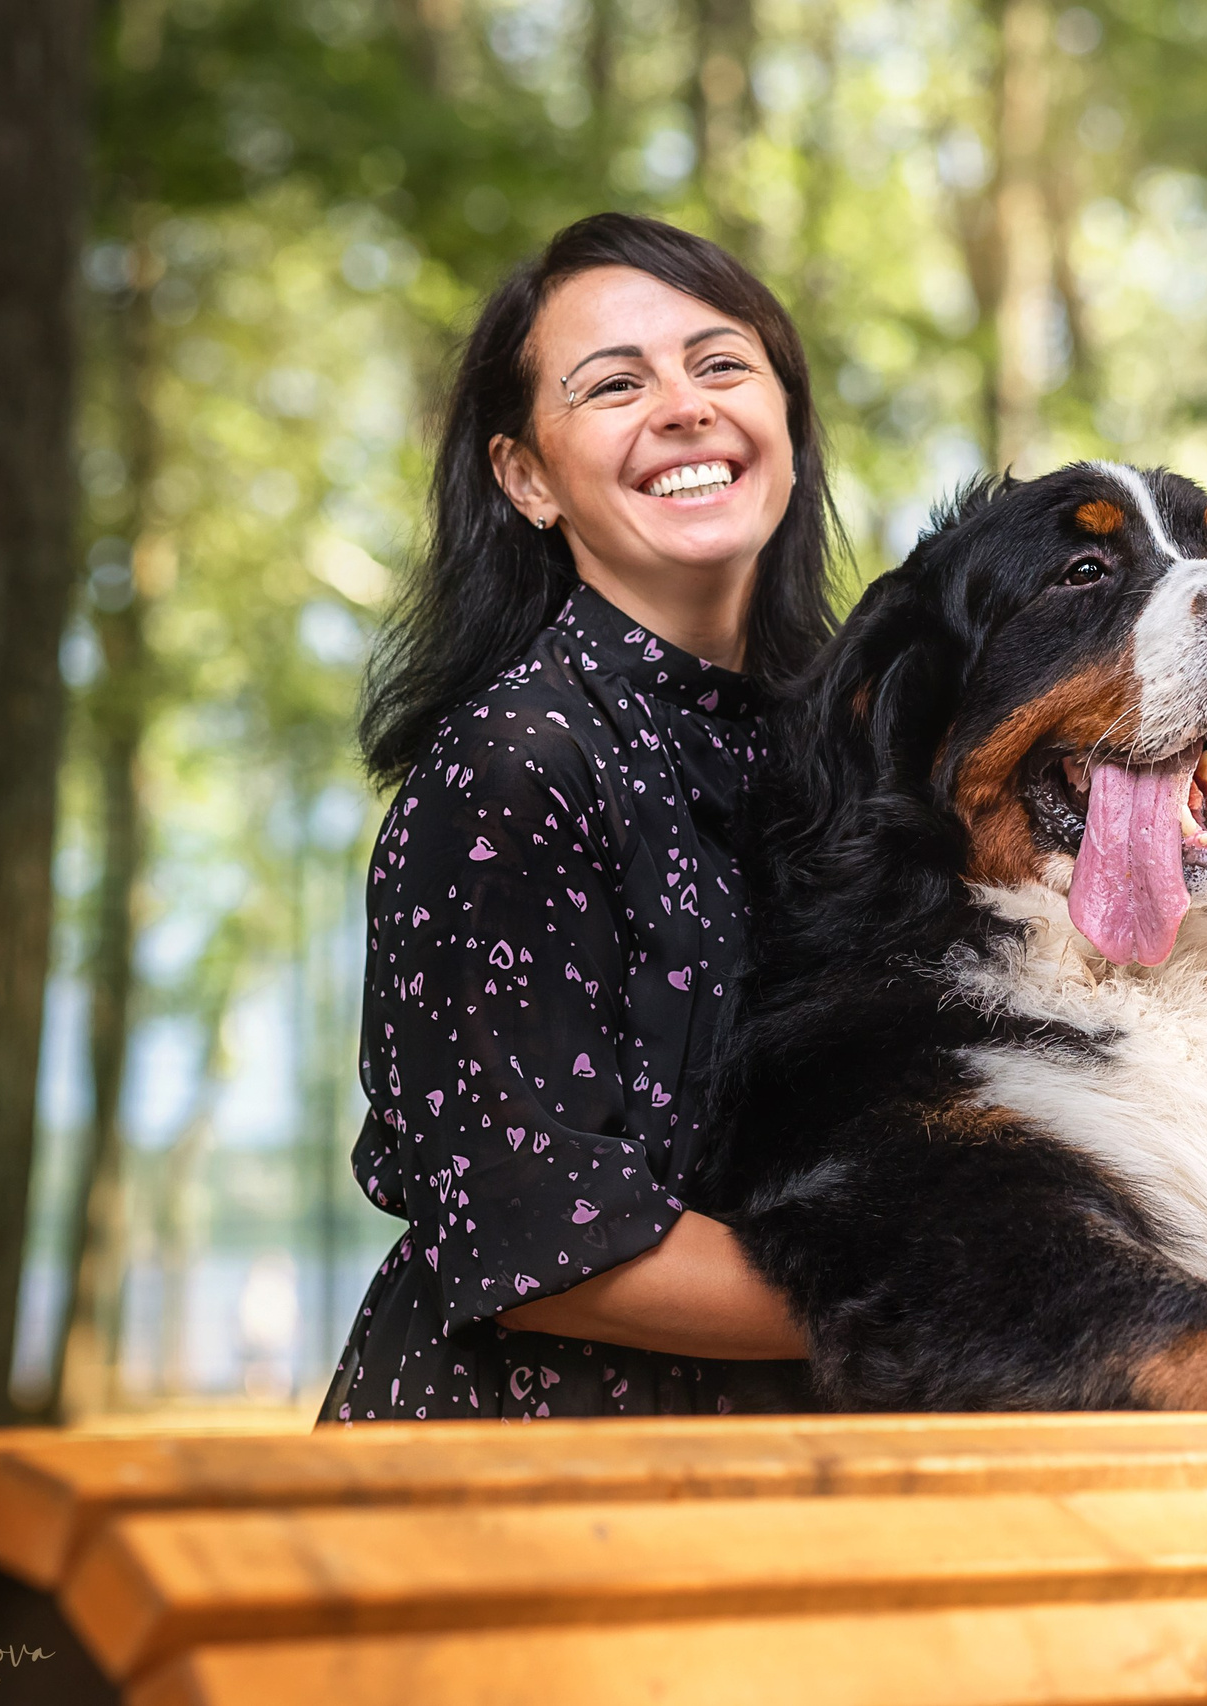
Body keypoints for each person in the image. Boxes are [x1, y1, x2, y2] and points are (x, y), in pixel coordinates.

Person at [321, 213, 837, 1421]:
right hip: (521, 1475)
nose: (683, 405)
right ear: (527, 477)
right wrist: (949, 1296)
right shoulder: (508, 766)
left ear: (788, 428)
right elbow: (544, 1239)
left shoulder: (854, 750)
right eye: (614, 384)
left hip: (792, 1475)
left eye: (721, 364)